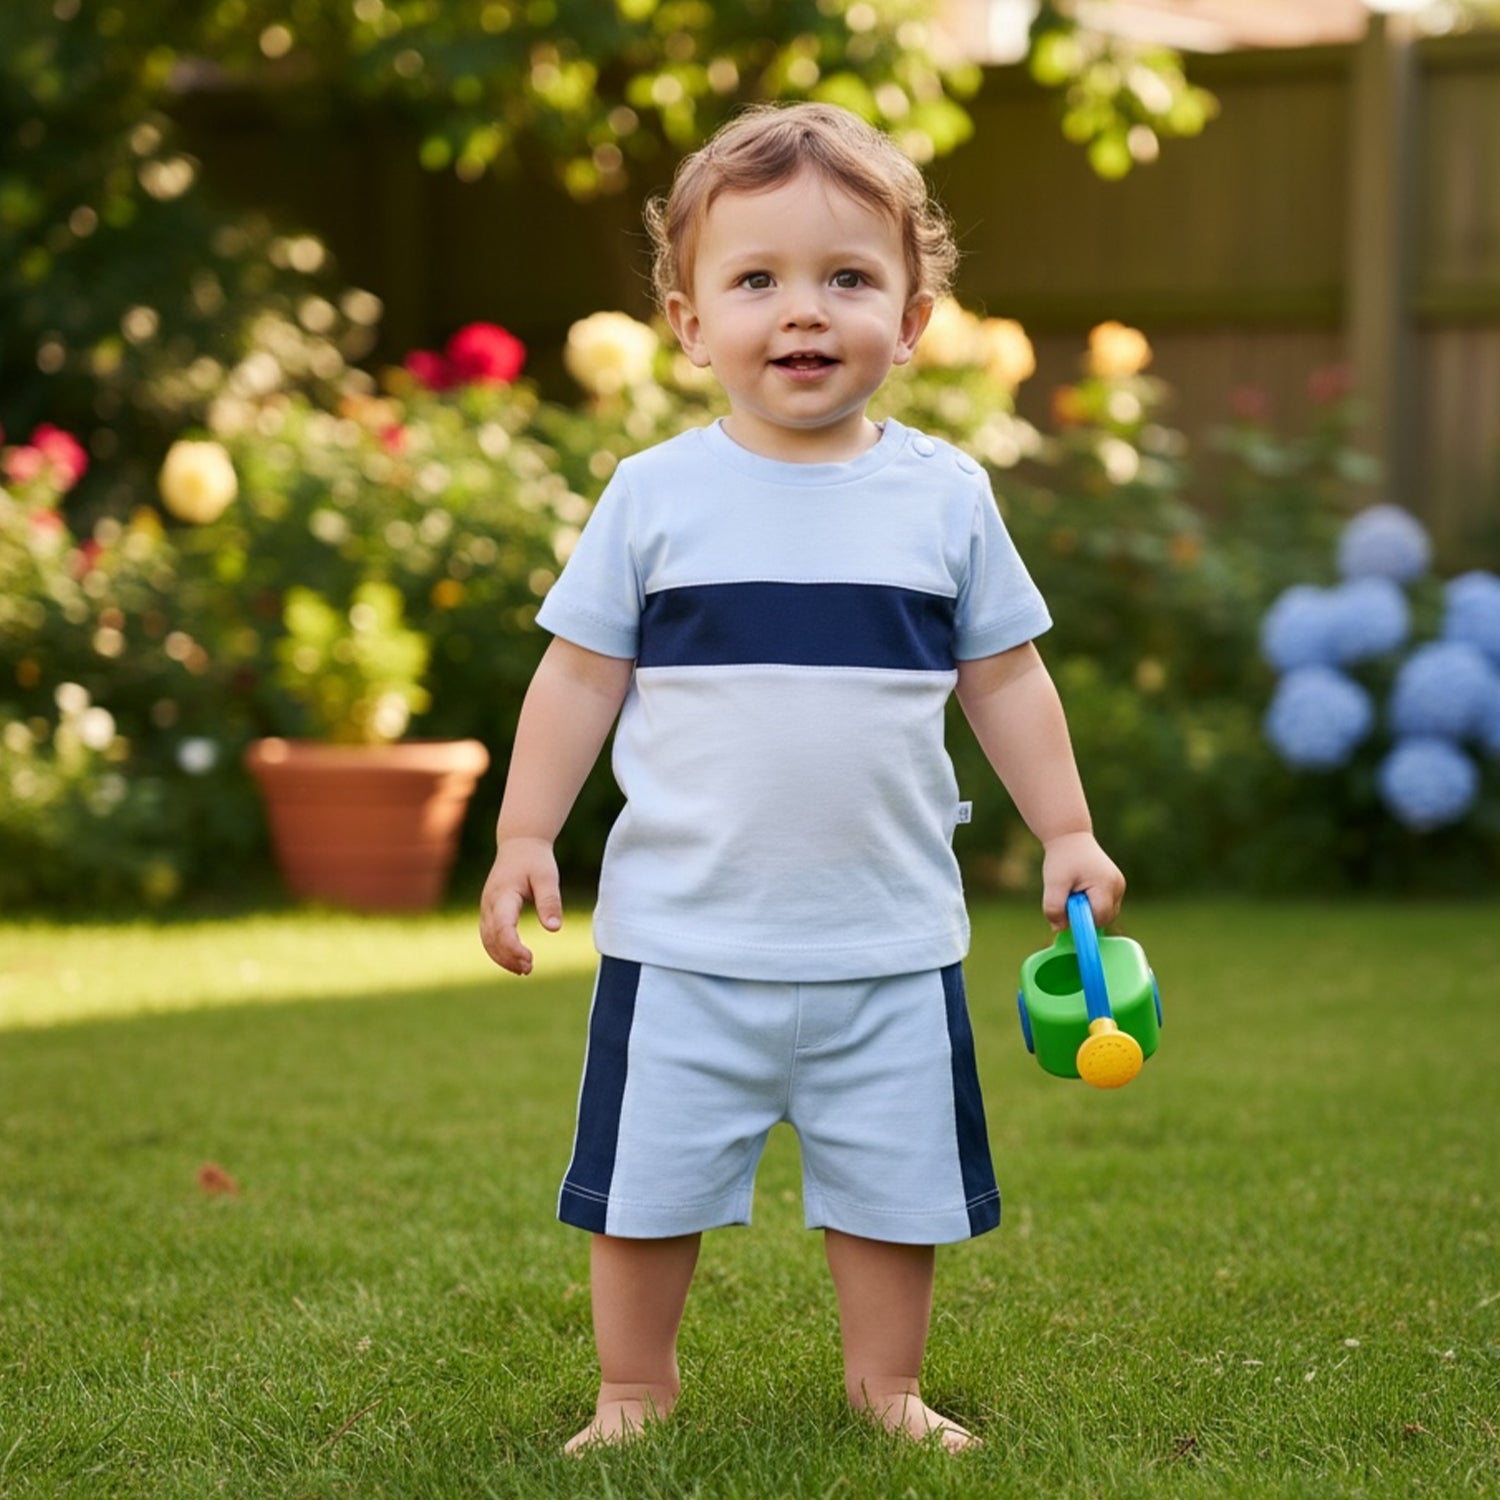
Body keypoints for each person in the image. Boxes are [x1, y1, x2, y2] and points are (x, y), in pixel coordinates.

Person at [479, 100, 1125, 1453]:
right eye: (757, 279)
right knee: (644, 1188)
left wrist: (1063, 829)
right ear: (687, 320)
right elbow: (580, 674)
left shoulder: (942, 500)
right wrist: (524, 830)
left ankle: (886, 1387)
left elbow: (1004, 678)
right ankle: (633, 1393)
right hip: (685, 942)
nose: (803, 312)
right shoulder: (655, 497)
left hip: (883, 941)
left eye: (848, 278)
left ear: (915, 316)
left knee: (895, 1191)